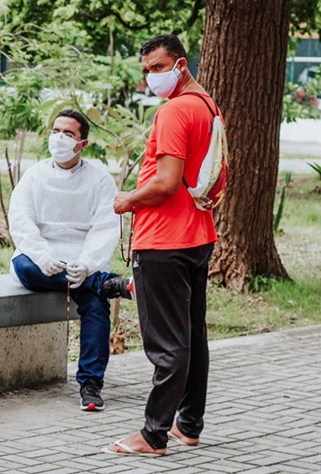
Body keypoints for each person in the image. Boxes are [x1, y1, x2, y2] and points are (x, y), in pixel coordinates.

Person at [106, 35, 221, 456]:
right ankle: (188, 425)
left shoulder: (174, 111)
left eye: (158, 67)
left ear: (181, 64)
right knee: (192, 335)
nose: (151, 77)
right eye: (147, 70)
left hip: (163, 242)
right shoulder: (208, 106)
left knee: (167, 342)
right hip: (198, 236)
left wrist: (125, 201)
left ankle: (153, 434)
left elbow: (167, 183)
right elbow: (216, 172)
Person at [8, 109, 132, 412]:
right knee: (23, 266)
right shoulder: (34, 175)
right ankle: (104, 283)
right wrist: (42, 254)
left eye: (68, 134)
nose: (59, 138)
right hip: (42, 261)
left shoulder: (100, 180)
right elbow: (21, 221)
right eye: (55, 131)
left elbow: (105, 227)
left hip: (82, 260)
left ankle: (91, 384)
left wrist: (87, 264)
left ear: (83, 143)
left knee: (94, 306)